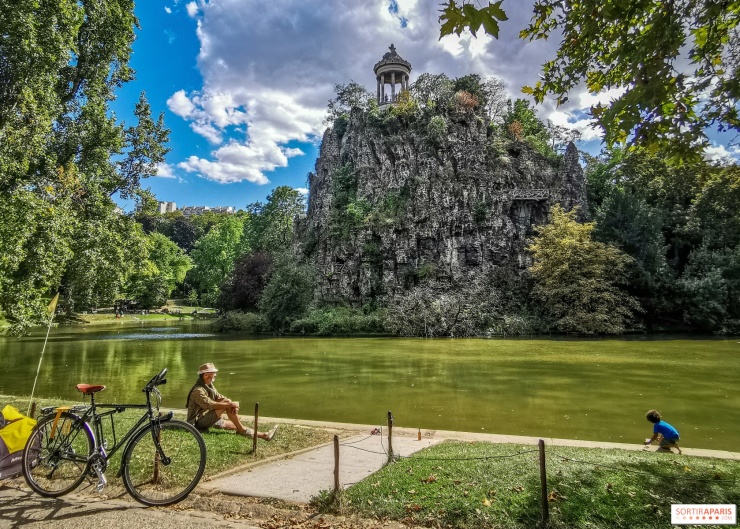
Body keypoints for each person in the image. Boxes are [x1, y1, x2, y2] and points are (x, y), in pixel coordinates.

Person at [186, 363, 278, 441]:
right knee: (229, 408)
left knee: (236, 424)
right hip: (197, 423)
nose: (215, 375)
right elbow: (210, 405)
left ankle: (264, 435)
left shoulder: (208, 385)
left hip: (206, 417)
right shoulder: (198, 390)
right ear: (205, 375)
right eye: (213, 374)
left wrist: (231, 403)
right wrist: (229, 404)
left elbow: (219, 397)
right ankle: (242, 431)